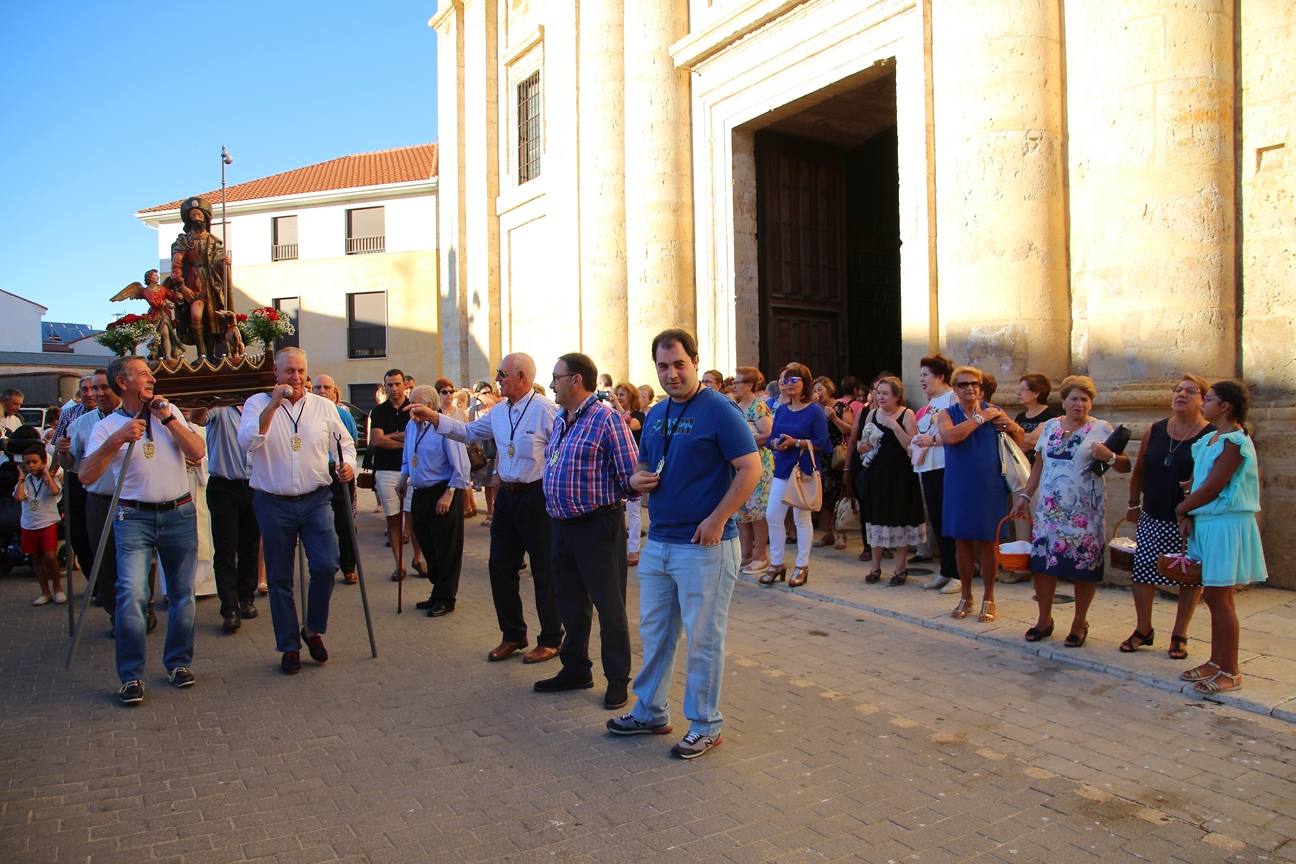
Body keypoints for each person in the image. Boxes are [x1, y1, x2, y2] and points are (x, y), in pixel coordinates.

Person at [608, 329, 760, 760]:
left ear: (695, 361)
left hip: (704, 546)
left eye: (679, 364)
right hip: (660, 541)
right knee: (656, 633)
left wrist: (718, 518)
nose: (671, 374)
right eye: (662, 366)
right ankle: (651, 711)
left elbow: (749, 468)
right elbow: (642, 460)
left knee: (703, 639)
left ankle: (706, 724)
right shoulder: (656, 413)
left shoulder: (720, 410)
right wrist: (637, 478)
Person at [80, 356, 206, 705]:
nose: (152, 377)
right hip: (132, 518)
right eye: (144, 373)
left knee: (182, 595)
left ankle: (179, 663)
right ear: (123, 382)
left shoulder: (170, 412)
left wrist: (168, 419)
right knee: (131, 597)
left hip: (179, 512)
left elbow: (198, 450)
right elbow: (86, 476)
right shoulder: (106, 427)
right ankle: (131, 676)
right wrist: (117, 440)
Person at [424, 353, 563, 664]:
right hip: (508, 498)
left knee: (544, 572)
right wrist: (434, 418)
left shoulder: (546, 411)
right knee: (499, 567)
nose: (497, 379)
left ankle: (552, 638)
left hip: (537, 497)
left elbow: (562, 454)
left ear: (522, 377)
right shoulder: (499, 411)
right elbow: (468, 432)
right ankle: (513, 634)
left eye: (503, 374)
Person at [237, 348, 357, 675]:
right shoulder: (257, 404)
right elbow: (248, 441)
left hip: (316, 497)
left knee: (326, 564)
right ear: (275, 372)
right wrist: (274, 404)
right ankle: (289, 645)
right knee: (279, 577)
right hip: (272, 500)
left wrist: (346, 465)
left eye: (301, 371)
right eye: (289, 371)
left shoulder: (323, 406)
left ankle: (313, 629)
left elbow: (344, 442)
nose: (296, 377)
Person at [534, 353, 639, 708]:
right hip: (561, 526)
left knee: (610, 606)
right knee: (570, 602)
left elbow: (630, 477)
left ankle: (618, 679)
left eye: (556, 377)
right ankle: (576, 668)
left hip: (598, 526)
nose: (552, 384)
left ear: (576, 380)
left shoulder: (607, 419)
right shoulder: (563, 419)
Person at [1013, 375, 1130, 647]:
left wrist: (1109, 456)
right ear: (1063, 401)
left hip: (1084, 514)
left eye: (1085, 399)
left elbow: (1124, 466)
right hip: (1049, 511)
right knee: (1043, 566)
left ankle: (1079, 623)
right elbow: (1039, 466)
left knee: (1082, 568)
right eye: (1074, 398)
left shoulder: (1101, 429)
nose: (1080, 404)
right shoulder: (1050, 427)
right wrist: (1025, 496)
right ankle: (1044, 619)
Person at [1175, 380, 1267, 695]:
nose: (1204, 403)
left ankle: (1231, 670)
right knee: (1213, 596)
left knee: (1220, 597)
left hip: (1227, 524)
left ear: (1225, 406)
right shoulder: (1212, 440)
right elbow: (1200, 482)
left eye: (1209, 399)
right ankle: (1216, 661)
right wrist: (1189, 512)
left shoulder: (1235, 441)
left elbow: (1214, 486)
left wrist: (1181, 508)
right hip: (1208, 522)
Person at [1122, 375, 1212, 658]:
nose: (1181, 395)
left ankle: (1179, 634)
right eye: (1177, 390)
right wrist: (1133, 503)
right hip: (1153, 514)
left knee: (1189, 577)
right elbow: (1139, 470)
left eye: (1190, 391)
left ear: (1203, 399)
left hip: (1190, 519)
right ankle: (1143, 630)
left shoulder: (1209, 435)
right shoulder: (1156, 429)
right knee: (1143, 573)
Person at [937, 367, 1025, 621]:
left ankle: (989, 596)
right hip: (959, 484)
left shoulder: (994, 410)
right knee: (961, 541)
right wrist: (979, 419)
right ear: (954, 388)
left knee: (989, 541)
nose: (970, 388)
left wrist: (1011, 426)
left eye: (974, 384)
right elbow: (950, 437)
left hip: (989, 484)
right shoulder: (947, 414)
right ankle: (966, 595)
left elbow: (1020, 439)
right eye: (963, 384)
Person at [69, 370, 148, 630]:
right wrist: (61, 453)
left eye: (102, 388)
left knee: (140, 559)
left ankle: (142, 609)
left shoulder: (139, 417)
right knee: (106, 560)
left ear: (118, 387)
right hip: (100, 500)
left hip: (131, 499)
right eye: (90, 389)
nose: (96, 394)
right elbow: (71, 465)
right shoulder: (81, 423)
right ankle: (117, 614)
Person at [402, 385, 471, 617]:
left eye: (415, 404)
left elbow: (461, 466)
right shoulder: (411, 425)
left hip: (444, 491)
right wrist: (403, 478)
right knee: (426, 542)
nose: (410, 409)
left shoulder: (444, 427)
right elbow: (407, 455)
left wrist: (449, 493)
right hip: (421, 491)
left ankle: (445, 598)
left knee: (446, 548)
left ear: (429, 406)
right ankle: (437, 590)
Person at [762, 363, 830, 587]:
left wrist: (797, 442)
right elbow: (772, 437)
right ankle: (777, 563)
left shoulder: (815, 411)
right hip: (782, 469)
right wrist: (775, 443)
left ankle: (802, 565)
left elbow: (823, 443)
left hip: (804, 471)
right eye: (785, 380)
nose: (788, 385)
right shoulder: (781, 410)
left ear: (805, 384)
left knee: (802, 518)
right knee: (773, 515)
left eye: (794, 380)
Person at [856, 376, 926, 585]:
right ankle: (875, 567)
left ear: (897, 396)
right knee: (876, 518)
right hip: (876, 475)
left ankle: (900, 568)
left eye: (886, 393)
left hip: (900, 476)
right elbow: (863, 443)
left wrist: (894, 426)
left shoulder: (907, 414)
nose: (881, 397)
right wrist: (863, 446)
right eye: (879, 393)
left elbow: (911, 447)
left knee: (899, 519)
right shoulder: (872, 414)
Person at [199, 402, 261, 632]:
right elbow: (200, 418)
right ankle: (230, 607)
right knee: (226, 548)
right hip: (224, 486)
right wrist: (205, 399)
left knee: (250, 546)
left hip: (255, 484)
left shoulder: (259, 406)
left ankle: (246, 598)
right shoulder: (220, 406)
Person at [910, 355, 958, 591]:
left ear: (940, 376)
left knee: (950, 520)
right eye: (920, 376)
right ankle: (946, 570)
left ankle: (958, 574)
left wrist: (933, 440)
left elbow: (958, 433)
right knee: (938, 520)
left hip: (946, 466)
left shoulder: (952, 398)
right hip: (928, 466)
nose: (921, 380)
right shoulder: (930, 404)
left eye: (925, 375)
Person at [169, 196, 230, 360]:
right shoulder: (184, 241)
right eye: (193, 215)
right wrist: (182, 286)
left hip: (210, 285)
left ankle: (210, 354)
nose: (196, 218)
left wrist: (222, 261)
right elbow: (176, 265)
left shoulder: (213, 241)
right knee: (196, 317)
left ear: (205, 217)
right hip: (193, 284)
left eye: (199, 215)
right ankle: (201, 354)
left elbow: (216, 259)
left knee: (212, 320)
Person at [368, 369, 413, 582]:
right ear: (384, 386)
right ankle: (399, 564)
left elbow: (416, 438)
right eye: (390, 385)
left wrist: (390, 437)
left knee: (413, 519)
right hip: (386, 471)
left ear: (405, 384)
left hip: (413, 471)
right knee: (393, 520)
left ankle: (418, 558)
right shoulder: (378, 412)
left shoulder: (414, 408)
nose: (394, 389)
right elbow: (377, 441)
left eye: (397, 384)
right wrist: (404, 438)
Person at [731, 367, 774, 576]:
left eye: (737, 382)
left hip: (759, 463)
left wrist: (743, 443)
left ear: (749, 385)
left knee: (757, 512)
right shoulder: (737, 407)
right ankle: (746, 553)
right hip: (740, 464)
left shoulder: (759, 406)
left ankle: (760, 556)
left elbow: (767, 433)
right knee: (743, 511)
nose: (734, 386)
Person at [54, 375, 97, 575]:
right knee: (79, 533)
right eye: (84, 389)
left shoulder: (112, 414)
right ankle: (94, 584)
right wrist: (53, 471)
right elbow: (59, 447)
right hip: (76, 476)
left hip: (102, 479)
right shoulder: (69, 414)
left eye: (92, 388)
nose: (89, 394)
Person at [14, 444, 64, 605]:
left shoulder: (50, 478)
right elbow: (19, 497)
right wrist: (21, 478)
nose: (30, 466)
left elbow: (55, 491)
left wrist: (47, 476)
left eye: (34, 462)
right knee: (36, 559)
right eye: (27, 463)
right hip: (29, 524)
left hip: (47, 522)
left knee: (50, 556)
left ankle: (58, 589)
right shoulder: (25, 480)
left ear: (43, 462)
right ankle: (45, 592)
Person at [812, 376, 854, 550]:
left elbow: (850, 429)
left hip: (836, 456)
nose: (817, 393)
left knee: (838, 494)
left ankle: (840, 534)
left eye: (820, 389)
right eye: (815, 390)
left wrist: (834, 418)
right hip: (819, 455)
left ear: (829, 389)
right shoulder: (813, 410)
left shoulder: (841, 407)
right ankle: (827, 533)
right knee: (823, 498)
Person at [613, 382, 647, 566]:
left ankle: (633, 550)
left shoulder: (639, 416)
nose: (618, 397)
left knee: (633, 511)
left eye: (622, 395)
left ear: (631, 397)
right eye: (617, 394)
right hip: (615, 466)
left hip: (634, 467)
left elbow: (629, 425)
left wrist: (616, 406)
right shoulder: (611, 414)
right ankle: (616, 548)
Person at [468, 381, 500, 526]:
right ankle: (489, 513)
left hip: (496, 450)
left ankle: (498, 513)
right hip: (482, 452)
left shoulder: (495, 408)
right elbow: (470, 429)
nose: (487, 395)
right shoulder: (473, 410)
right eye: (484, 393)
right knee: (487, 484)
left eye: (489, 392)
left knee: (496, 484)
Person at [1015, 374, 1063, 462]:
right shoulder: (1020, 417)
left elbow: (1033, 441)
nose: (1018, 393)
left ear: (1036, 393)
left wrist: (1017, 436)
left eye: (1023, 390)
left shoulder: (1050, 416)